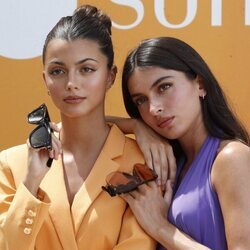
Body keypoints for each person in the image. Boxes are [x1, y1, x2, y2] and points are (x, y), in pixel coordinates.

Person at [0, 5, 157, 250]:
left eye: (86, 69)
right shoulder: (11, 165)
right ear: (46, 80)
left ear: (110, 76)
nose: (72, 83)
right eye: (58, 71)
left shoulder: (141, 162)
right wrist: (31, 183)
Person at [109, 37, 250, 249]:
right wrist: (135, 126)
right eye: (141, 100)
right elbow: (78, 125)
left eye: (164, 87)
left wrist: (160, 227)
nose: (153, 108)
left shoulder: (231, 158)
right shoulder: (171, 164)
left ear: (200, 83)